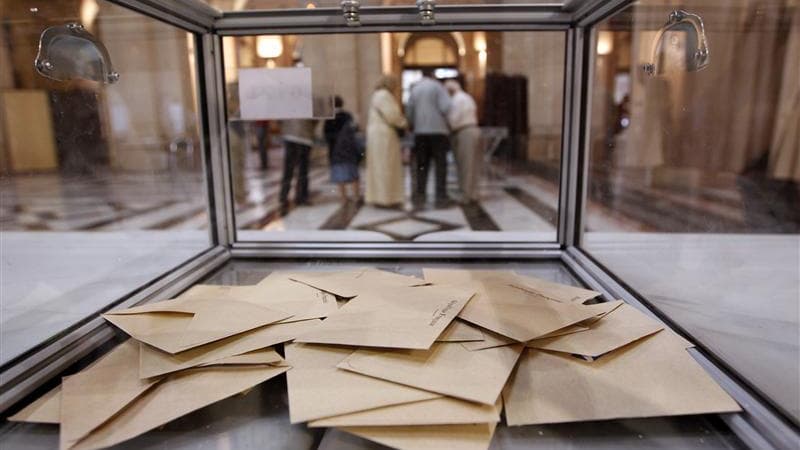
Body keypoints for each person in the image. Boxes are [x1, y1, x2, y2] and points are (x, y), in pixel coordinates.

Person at [406, 68, 452, 207]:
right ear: (432, 75)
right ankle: (441, 195)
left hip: (421, 132)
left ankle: (420, 194)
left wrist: (413, 123)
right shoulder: (438, 87)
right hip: (438, 132)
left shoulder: (415, 89)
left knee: (421, 165)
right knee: (440, 165)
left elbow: (409, 110)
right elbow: (446, 107)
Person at [365, 75, 408, 208]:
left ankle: (379, 197)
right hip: (383, 135)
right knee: (386, 166)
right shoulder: (384, 95)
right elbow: (392, 115)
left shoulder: (376, 95)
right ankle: (387, 198)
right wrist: (404, 123)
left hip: (376, 133)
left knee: (378, 166)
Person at [445, 79, 481, 204]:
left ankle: (466, 195)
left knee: (465, 165)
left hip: (464, 132)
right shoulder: (467, 97)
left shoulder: (456, 100)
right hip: (472, 130)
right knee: (472, 165)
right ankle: (473, 193)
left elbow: (454, 120)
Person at [324, 96, 361, 203]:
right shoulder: (348, 116)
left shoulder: (329, 118)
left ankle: (343, 197)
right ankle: (356, 196)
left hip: (335, 151)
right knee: (353, 172)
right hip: (349, 150)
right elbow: (355, 130)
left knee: (339, 174)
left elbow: (326, 136)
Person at [279, 118, 317, 216]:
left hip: (291, 134)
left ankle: (284, 197)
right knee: (302, 169)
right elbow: (316, 118)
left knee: (289, 169)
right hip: (304, 135)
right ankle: (301, 197)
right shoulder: (310, 102)